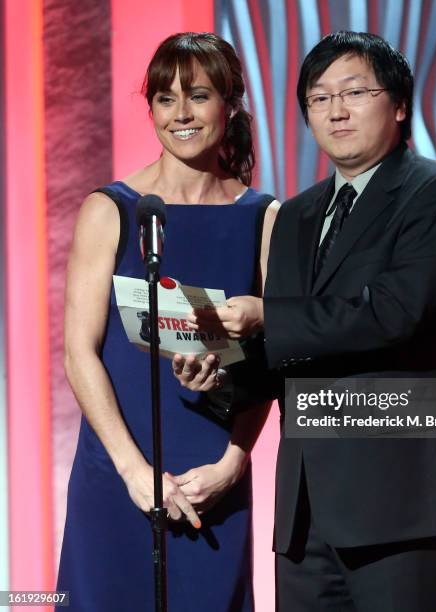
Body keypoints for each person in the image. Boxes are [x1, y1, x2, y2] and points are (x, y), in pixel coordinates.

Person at [175, 31, 436, 612]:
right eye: (318, 98)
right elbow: (289, 354)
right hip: (305, 514)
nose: (335, 110)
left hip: (403, 502)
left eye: (355, 92)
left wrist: (265, 317)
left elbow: (394, 314)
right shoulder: (295, 214)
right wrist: (221, 373)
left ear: (398, 105)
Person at [57, 32, 279, 611]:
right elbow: (80, 352)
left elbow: (276, 360)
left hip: (213, 476)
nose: (180, 113)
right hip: (117, 470)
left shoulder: (264, 218)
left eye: (198, 96)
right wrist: (134, 472)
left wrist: (233, 464)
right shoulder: (111, 209)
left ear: (229, 104)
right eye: (164, 98)